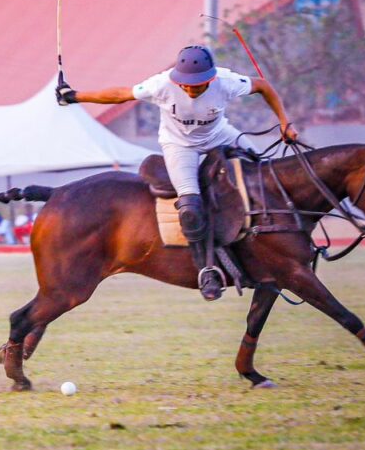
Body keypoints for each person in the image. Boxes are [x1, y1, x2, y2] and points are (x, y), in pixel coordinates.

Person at [56, 45, 298, 301]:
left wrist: (285, 122)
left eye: (198, 84)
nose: (190, 89)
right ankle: (207, 269)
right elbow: (121, 95)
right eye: (185, 84)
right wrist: (74, 96)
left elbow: (263, 85)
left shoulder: (226, 81)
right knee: (190, 208)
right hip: (180, 146)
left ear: (212, 78)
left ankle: (283, 245)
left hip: (221, 137)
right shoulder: (161, 84)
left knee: (265, 177)